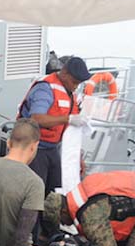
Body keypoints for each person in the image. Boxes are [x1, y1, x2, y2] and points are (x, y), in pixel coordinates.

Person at [18, 56, 91, 196]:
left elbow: (71, 130)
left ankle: (50, 216)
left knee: (56, 190)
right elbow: (36, 118)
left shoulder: (70, 93)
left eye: (79, 83)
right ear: (64, 73)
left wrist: (78, 158)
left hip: (53, 149)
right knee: (35, 191)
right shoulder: (45, 89)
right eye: (74, 82)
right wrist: (68, 118)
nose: (76, 86)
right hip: (35, 148)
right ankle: (35, 217)